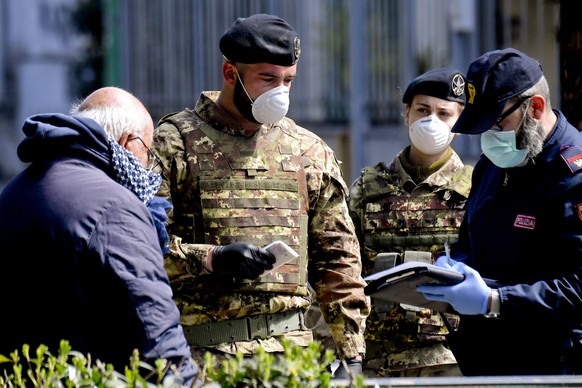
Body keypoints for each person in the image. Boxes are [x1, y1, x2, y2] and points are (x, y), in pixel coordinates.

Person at [151, 13, 370, 379]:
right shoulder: (173, 143)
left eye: (288, 81)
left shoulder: (307, 150)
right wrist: (211, 258)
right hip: (206, 362)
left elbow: (338, 260)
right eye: (268, 79)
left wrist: (352, 358)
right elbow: (144, 248)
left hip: (295, 362)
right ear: (230, 74)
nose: (280, 92)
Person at [0, 86, 198, 386]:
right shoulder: (115, 207)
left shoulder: (13, 193)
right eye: (148, 151)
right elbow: (156, 337)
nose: (149, 167)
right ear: (126, 141)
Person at [417, 48, 582, 375]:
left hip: (554, 365)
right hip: (488, 358)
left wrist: (495, 299)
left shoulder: (572, 176)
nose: (489, 139)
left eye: (497, 124)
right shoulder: (494, 164)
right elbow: (471, 242)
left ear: (535, 108)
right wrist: (455, 268)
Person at [345, 68, 471, 377]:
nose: (432, 121)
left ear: (459, 124)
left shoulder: (476, 190)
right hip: (378, 362)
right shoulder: (367, 188)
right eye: (423, 110)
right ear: (406, 114)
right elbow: (341, 269)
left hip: (450, 363)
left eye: (444, 113)